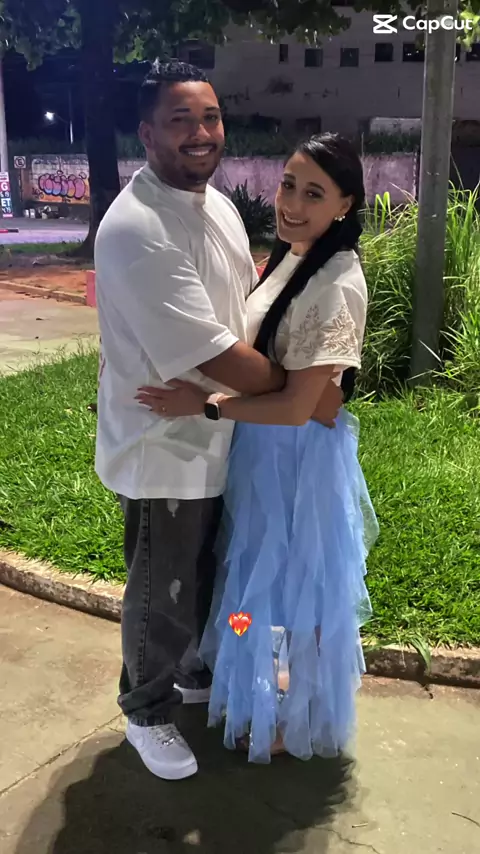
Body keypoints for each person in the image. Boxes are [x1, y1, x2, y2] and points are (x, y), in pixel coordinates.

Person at [94, 60, 344, 780]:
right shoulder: (139, 229)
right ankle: (146, 710)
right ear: (147, 134)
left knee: (210, 573)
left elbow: (244, 312)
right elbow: (217, 356)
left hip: (225, 431)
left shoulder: (217, 206)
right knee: (163, 586)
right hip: (165, 443)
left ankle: (193, 672)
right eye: (181, 121)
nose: (201, 133)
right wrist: (306, 390)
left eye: (210, 117)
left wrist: (292, 393)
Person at [136, 132, 379, 764]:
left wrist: (207, 404)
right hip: (263, 453)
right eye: (288, 185)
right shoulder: (294, 256)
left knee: (296, 594)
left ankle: (297, 716)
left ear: (345, 205)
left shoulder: (337, 280)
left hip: (298, 461)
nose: (292, 203)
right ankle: (265, 689)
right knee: (249, 583)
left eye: (314, 193)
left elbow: (303, 405)